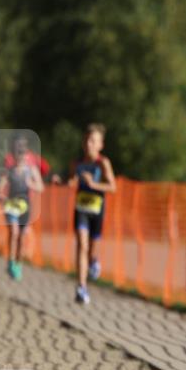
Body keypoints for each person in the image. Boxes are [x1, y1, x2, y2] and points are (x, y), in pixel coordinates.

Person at [68, 124, 116, 304]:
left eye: (93, 140)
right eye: (87, 140)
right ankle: (81, 288)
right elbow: (71, 181)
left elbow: (112, 187)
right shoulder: (76, 163)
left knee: (90, 251)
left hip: (97, 210)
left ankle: (94, 261)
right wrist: (64, 182)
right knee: (81, 244)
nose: (89, 143)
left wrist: (94, 184)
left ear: (100, 145)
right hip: (81, 209)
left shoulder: (102, 163)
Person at [0, 140, 44, 280]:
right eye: (18, 152)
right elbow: (0, 188)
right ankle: (11, 261)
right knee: (14, 232)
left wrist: (31, 184)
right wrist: (0, 196)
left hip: (25, 207)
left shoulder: (31, 170)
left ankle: (18, 263)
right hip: (11, 205)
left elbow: (41, 187)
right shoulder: (9, 171)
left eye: (23, 153)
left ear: (26, 154)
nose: (21, 156)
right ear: (14, 155)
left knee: (22, 238)